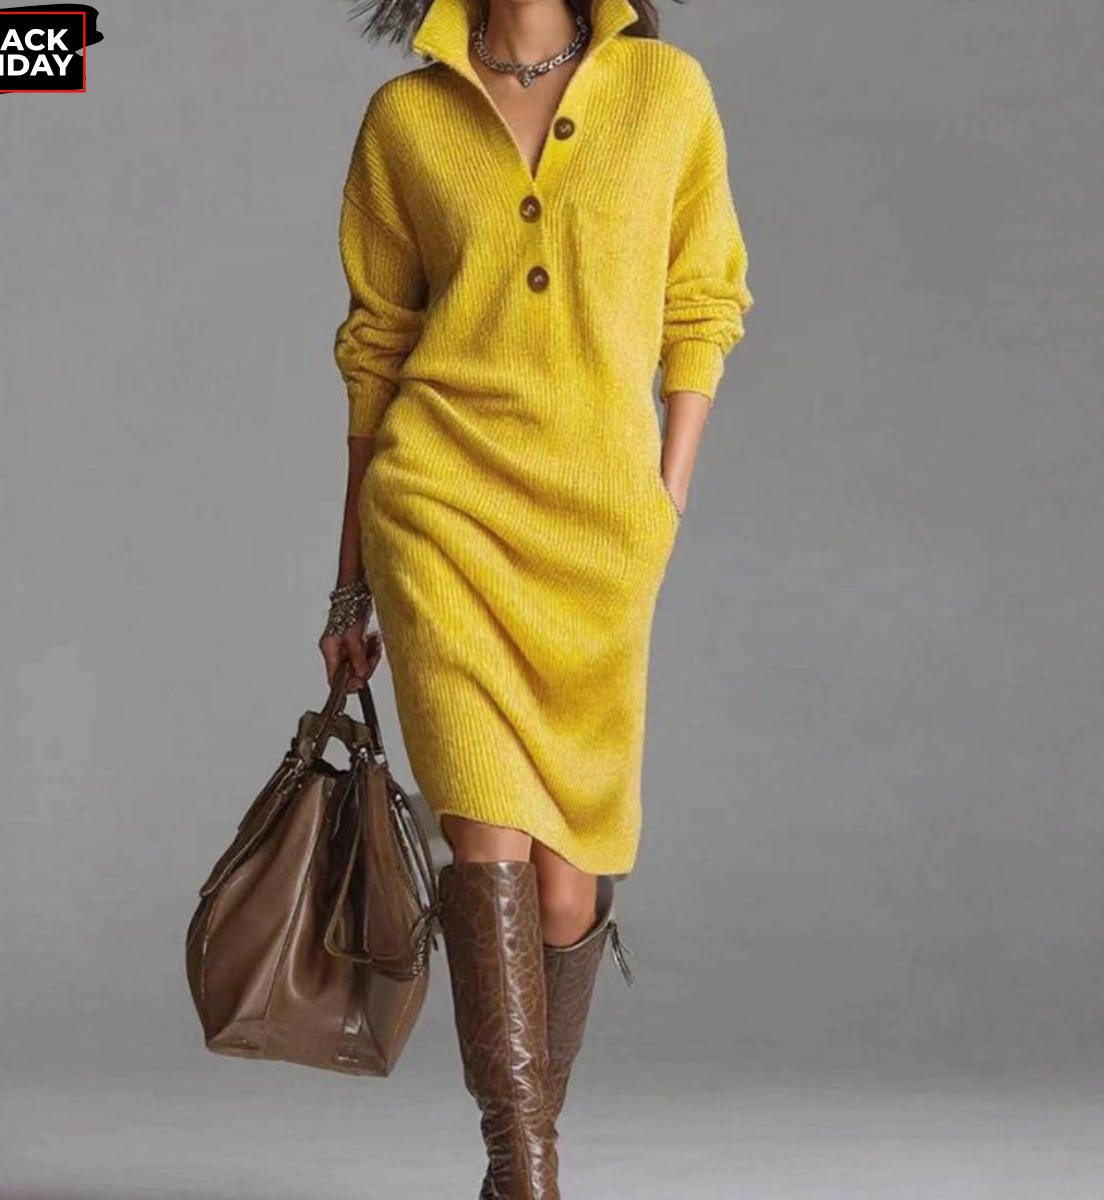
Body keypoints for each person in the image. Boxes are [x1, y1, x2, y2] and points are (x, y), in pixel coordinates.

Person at [320, 1, 753, 1195]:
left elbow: (703, 301)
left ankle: (521, 1158)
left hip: (598, 534)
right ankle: (524, 1170)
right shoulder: (406, 118)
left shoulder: (665, 92)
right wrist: (350, 585)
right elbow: (376, 348)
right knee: (485, 838)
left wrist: (662, 498)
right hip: (441, 506)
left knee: (564, 890)